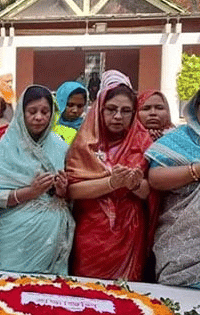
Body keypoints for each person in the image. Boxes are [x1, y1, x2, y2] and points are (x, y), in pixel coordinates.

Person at [66, 83, 156, 281]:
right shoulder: (85, 144)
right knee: (87, 291)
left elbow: (149, 192)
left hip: (129, 231)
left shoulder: (142, 143)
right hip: (92, 229)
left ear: (134, 114)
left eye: (126, 111)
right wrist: (111, 183)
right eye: (112, 109)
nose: (118, 116)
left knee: (127, 296)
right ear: (100, 109)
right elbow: (72, 190)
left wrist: (133, 185)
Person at [0, 85, 73, 275]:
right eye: (32, 112)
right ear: (21, 114)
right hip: (16, 237)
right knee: (10, 293)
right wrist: (30, 192)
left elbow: (69, 195)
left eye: (45, 112)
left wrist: (62, 190)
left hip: (53, 236)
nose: (39, 117)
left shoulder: (60, 146)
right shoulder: (4, 149)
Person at [145, 89, 200, 287]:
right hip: (182, 242)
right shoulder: (177, 139)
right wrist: (195, 171)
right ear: (196, 109)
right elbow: (155, 178)